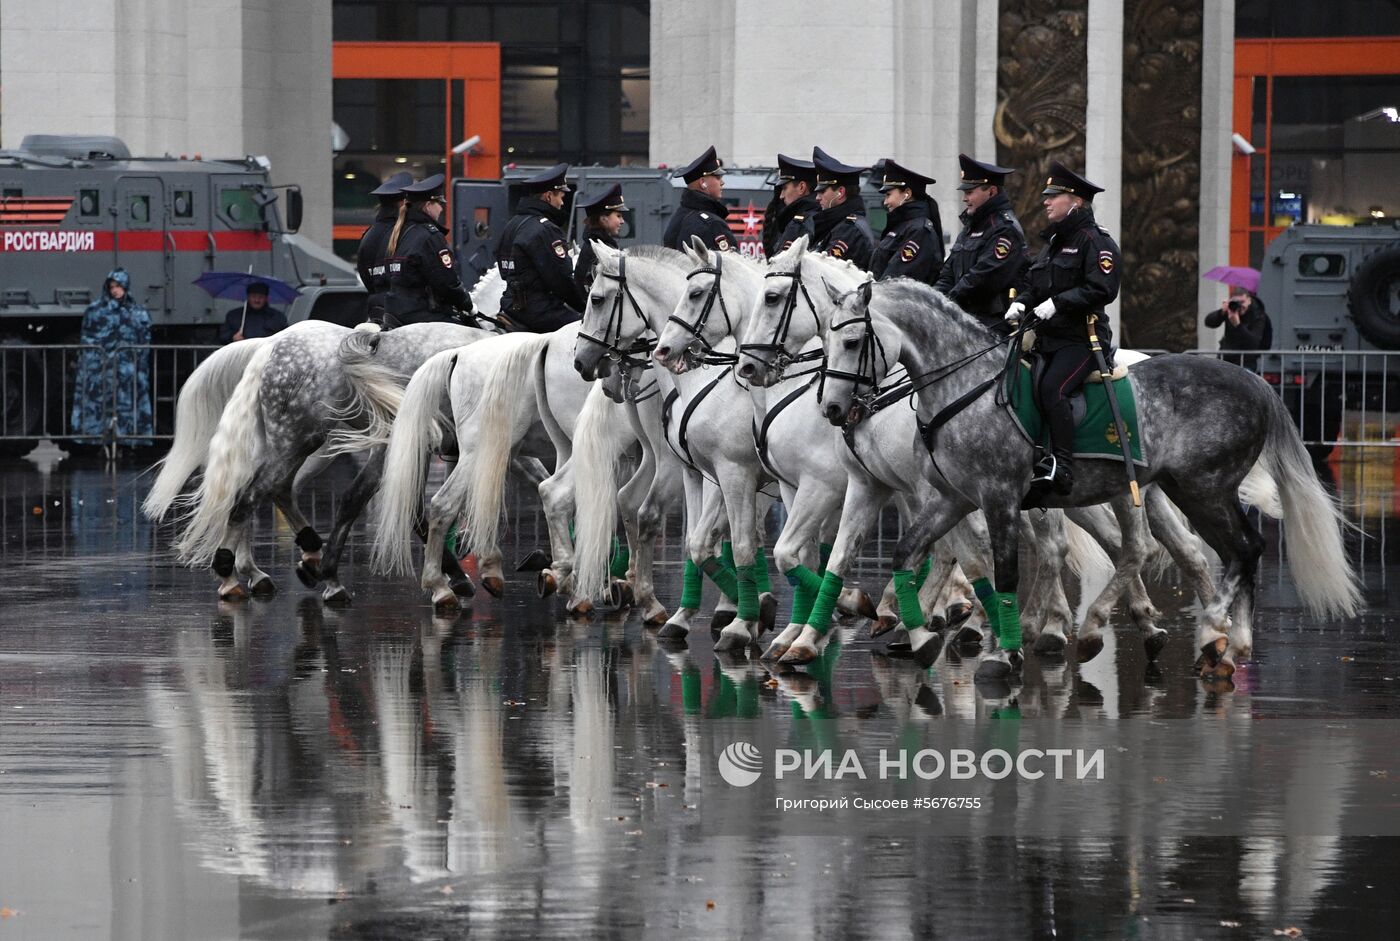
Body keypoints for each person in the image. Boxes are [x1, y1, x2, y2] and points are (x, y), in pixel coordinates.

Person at [1005, 161, 1120, 498]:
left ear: (1076, 201)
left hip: (1083, 339)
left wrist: (1059, 302)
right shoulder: (1054, 243)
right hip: (1049, 339)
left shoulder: (1095, 242)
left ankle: (1063, 464)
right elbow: (1034, 283)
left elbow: (1103, 288)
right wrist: (1022, 302)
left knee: (1053, 389)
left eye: (1054, 196)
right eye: (1047, 195)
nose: (1045, 201)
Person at [935, 154, 1027, 329]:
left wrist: (945, 303)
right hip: (964, 315)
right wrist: (932, 299)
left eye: (970, 192)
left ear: (991, 192)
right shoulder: (971, 226)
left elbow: (983, 277)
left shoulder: (1004, 229)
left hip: (993, 322)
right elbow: (948, 273)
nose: (964, 198)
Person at [495, 163, 586, 332]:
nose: (561, 203)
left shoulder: (513, 224)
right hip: (539, 311)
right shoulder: (545, 229)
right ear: (548, 196)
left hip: (511, 305)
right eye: (561, 197)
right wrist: (584, 306)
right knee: (590, 332)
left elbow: (503, 270)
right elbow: (561, 279)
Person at [70, 267, 153, 445]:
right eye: (112, 286)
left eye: (119, 286)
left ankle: (128, 441)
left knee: (128, 407)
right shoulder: (95, 311)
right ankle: (98, 441)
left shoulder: (138, 312)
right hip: (101, 370)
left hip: (128, 370)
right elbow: (88, 339)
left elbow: (144, 341)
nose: (115, 290)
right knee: (100, 408)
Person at [383, 174, 473, 329]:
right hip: (422, 313)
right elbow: (447, 282)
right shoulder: (430, 237)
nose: (442, 208)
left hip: (396, 310)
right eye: (439, 203)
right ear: (428, 206)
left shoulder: (401, 232)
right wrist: (467, 304)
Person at [870, 158, 944, 281]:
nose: (885, 202)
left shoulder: (919, 231)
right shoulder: (902, 226)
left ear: (907, 194)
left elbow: (895, 281)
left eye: (888, 195)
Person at [356, 170, 413, 326]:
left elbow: (365, 274)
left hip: (376, 309)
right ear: (402, 203)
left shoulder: (368, 234)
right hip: (403, 314)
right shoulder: (405, 234)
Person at [811, 146, 875, 269]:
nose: (817, 198)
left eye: (822, 191)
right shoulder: (837, 224)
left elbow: (822, 272)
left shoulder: (848, 230)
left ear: (840, 192)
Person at [662, 145, 735, 253]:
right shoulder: (712, 225)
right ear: (703, 183)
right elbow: (731, 267)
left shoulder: (680, 216)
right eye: (717, 177)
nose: (722, 183)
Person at [573, 183, 626, 296]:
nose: (622, 221)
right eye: (618, 216)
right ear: (603, 219)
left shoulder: (597, 243)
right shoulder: (600, 250)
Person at [1205, 289, 1272, 372]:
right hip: (1226, 359)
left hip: (1246, 361)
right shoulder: (1231, 310)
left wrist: (1238, 325)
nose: (1240, 306)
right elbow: (1209, 322)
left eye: (1242, 302)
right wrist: (1221, 312)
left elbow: (1254, 343)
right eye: (1237, 302)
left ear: (1249, 301)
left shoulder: (1258, 316)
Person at [770, 153, 820, 255]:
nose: (781, 196)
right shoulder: (804, 218)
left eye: (784, 188)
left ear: (801, 187)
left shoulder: (805, 222)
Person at [218, 281, 287, 343]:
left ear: (266, 298)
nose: (257, 300)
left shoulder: (278, 317)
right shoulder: (233, 315)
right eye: (253, 297)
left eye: (261, 297)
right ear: (248, 297)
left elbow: (286, 338)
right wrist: (232, 337)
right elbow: (222, 336)